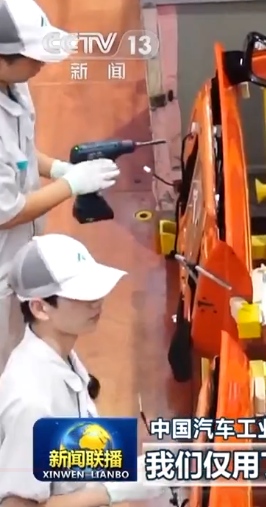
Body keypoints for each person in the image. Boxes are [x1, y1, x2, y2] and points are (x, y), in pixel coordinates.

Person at [0, 234, 169, 507]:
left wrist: (131, 468)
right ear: (40, 308)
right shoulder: (32, 403)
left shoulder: (61, 353)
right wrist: (111, 492)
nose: (97, 301)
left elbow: (62, 446)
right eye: (81, 294)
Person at [0, 0, 122, 373]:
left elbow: (19, 151)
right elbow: (7, 212)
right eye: (33, 57)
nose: (42, 64)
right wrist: (70, 184)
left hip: (20, 248)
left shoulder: (15, 85)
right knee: (7, 361)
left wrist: (57, 168)